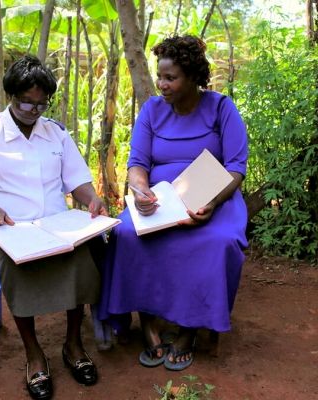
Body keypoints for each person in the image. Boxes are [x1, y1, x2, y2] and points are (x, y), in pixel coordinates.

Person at [0, 55, 107, 399]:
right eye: (25, 101)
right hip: (8, 227)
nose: (33, 110)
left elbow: (77, 180)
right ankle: (34, 352)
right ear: (10, 95)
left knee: (81, 255)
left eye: (41, 104)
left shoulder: (56, 133)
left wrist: (92, 198)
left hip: (57, 224)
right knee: (17, 262)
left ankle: (72, 343)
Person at [99, 35, 248, 371]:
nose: (162, 85)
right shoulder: (152, 110)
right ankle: (148, 322)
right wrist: (140, 191)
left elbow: (236, 167)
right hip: (160, 199)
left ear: (193, 77)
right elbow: (138, 163)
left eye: (170, 78)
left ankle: (189, 328)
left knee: (216, 241)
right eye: (160, 76)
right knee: (125, 234)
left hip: (214, 197)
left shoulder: (221, 108)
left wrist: (208, 202)